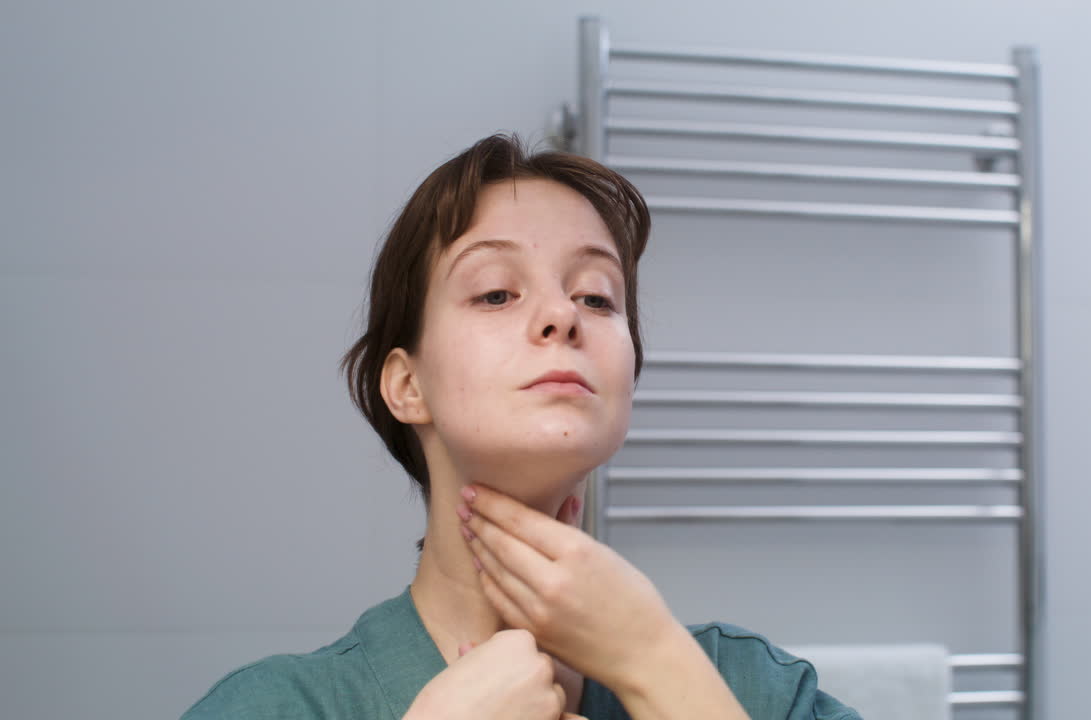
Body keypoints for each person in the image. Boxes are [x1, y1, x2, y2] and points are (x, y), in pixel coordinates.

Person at [181, 134, 862, 720]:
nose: (562, 316)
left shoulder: (757, 690)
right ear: (407, 384)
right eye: (496, 292)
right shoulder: (280, 706)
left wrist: (654, 664)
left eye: (597, 296)